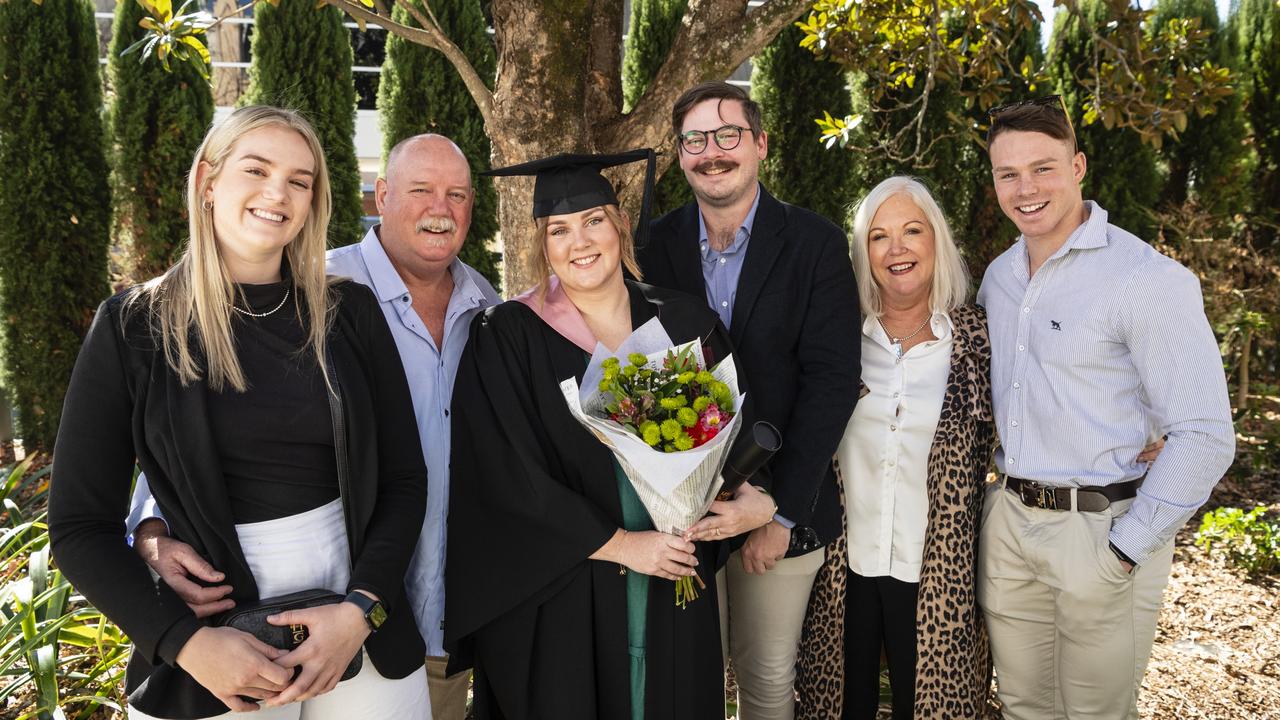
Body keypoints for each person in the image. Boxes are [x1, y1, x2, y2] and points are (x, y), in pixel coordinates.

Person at [48, 106, 430, 719]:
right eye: (256, 169)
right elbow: (77, 527)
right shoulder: (132, 328)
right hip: (219, 648)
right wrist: (186, 643)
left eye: (299, 180)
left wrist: (362, 608)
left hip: (357, 622)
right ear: (207, 181)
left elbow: (405, 481)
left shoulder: (349, 314)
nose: (277, 193)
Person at [126, 133, 500, 720]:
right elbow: (189, 437)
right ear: (380, 195)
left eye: (457, 194)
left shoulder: (488, 308)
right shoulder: (310, 290)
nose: (441, 208)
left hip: (423, 613)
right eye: (421, 190)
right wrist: (150, 528)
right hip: (273, 607)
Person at [445, 150, 777, 720]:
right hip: (566, 596)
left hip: (676, 575)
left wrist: (755, 503)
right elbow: (506, 476)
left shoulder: (684, 322)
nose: (580, 242)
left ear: (620, 224)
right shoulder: (507, 336)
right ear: (542, 245)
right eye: (559, 229)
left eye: (593, 220)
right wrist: (626, 547)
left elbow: (731, 439)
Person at [976, 96, 1235, 719]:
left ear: (1079, 166)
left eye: (1043, 168)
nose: (1025, 188)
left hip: (1101, 527)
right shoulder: (998, 277)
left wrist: (1126, 548)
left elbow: (1204, 432)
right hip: (1009, 521)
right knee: (1021, 707)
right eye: (1008, 174)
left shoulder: (1144, 278)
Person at [640, 81, 862, 720]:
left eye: (728, 135)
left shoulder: (814, 245)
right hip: (682, 516)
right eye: (695, 140)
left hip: (780, 512)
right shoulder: (654, 245)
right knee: (689, 682)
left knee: (767, 684)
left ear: (760, 144)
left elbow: (830, 382)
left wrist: (781, 511)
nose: (712, 151)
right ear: (680, 155)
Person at [795, 177, 996, 720]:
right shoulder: (837, 336)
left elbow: (1033, 416)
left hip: (938, 571)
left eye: (912, 230)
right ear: (864, 254)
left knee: (933, 709)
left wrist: (1138, 431)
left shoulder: (978, 340)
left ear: (937, 241)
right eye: (879, 237)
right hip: (842, 567)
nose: (897, 248)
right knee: (837, 707)